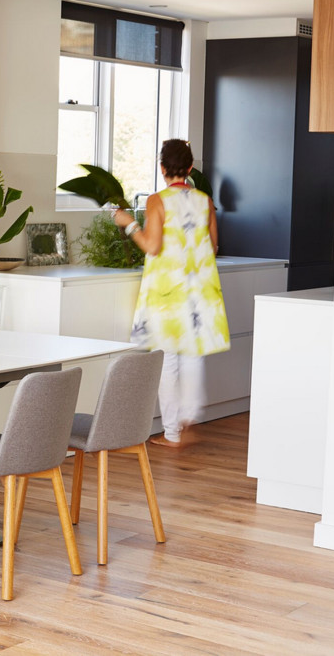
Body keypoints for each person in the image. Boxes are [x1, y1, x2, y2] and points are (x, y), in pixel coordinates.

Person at [111, 139, 229, 448]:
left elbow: (152, 245)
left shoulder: (157, 200)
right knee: (191, 352)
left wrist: (127, 224)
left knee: (167, 358)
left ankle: (173, 431)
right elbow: (213, 247)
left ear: (161, 168)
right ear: (190, 168)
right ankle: (190, 413)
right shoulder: (205, 201)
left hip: (166, 291)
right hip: (198, 288)